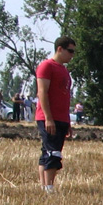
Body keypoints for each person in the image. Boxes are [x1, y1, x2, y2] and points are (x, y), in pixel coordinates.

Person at [34, 35, 75, 192]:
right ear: (60, 49)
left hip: (61, 118)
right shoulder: (46, 66)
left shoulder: (64, 70)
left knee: (47, 151)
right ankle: (49, 187)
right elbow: (42, 93)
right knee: (53, 152)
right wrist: (48, 118)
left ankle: (45, 187)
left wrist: (68, 122)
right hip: (49, 117)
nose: (72, 55)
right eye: (70, 51)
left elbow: (65, 98)